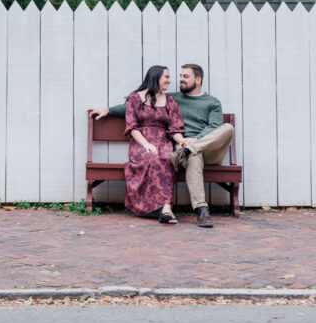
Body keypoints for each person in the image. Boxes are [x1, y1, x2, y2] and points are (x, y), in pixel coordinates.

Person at [90, 64, 233, 228]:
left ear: (198, 79)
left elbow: (214, 127)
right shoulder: (171, 98)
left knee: (227, 129)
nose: (179, 80)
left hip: (206, 148)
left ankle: (188, 150)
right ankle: (201, 211)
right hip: (183, 150)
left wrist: (193, 142)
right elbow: (133, 108)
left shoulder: (212, 103)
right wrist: (108, 109)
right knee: (191, 155)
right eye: (179, 76)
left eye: (185, 77)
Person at [121, 65, 185, 223]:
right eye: (167, 77)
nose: (170, 81)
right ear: (156, 77)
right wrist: (146, 144)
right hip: (141, 143)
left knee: (168, 159)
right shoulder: (135, 98)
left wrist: (181, 141)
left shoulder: (170, 101)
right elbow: (132, 127)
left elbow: (175, 128)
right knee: (153, 157)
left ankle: (165, 208)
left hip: (164, 141)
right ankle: (161, 207)